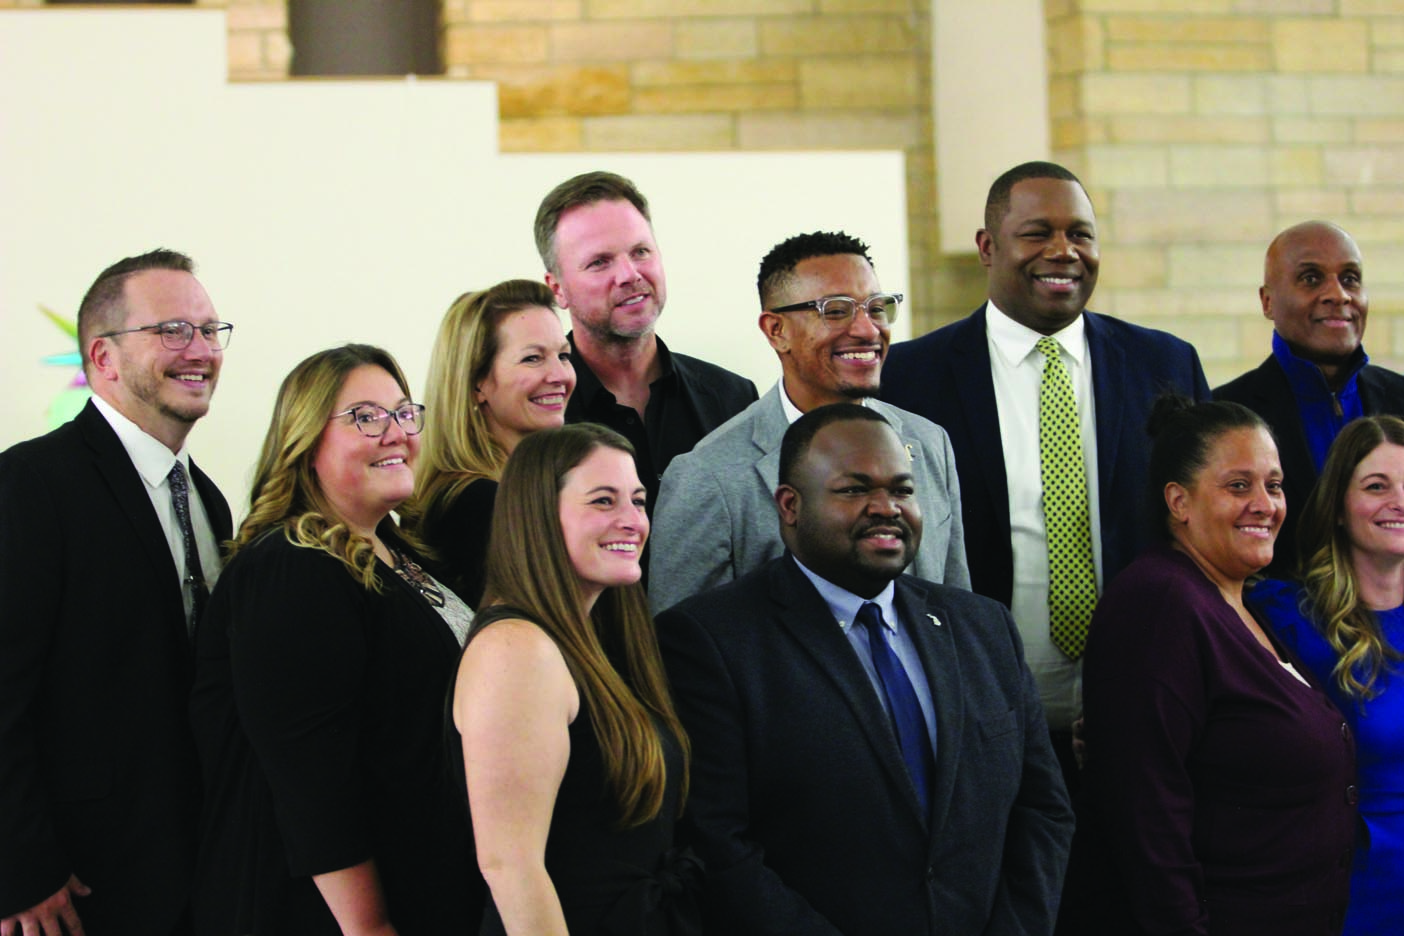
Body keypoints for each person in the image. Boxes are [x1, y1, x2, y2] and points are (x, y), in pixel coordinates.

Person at [656, 404, 1072, 935]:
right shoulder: (711, 640)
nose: (886, 508)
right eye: (854, 490)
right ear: (789, 505)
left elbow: (1042, 809)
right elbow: (718, 844)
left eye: (902, 489)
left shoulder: (983, 628)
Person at [881, 161, 1211, 793]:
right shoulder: (909, 378)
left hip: (1146, 713)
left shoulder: (1165, 363)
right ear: (988, 246)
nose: (1064, 251)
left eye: (1081, 234)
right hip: (978, 720)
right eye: (1038, 233)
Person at [189, 345, 476, 935]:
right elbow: (311, 784)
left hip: (428, 883)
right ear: (304, 442)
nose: (395, 433)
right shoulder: (291, 568)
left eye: (403, 413)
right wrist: (369, 925)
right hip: (328, 914)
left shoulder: (397, 551)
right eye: (366, 417)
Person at [0, 248, 232, 936]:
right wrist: (18, 867)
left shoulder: (211, 501)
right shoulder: (32, 484)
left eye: (210, 330)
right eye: (173, 330)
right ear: (103, 357)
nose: (201, 350)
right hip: (72, 888)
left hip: (194, 875)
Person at [1078, 397, 1356, 935]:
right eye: (1238, 485)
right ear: (1178, 501)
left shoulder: (1234, 603)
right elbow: (1146, 818)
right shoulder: (1159, 604)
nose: (1265, 505)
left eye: (1274, 485)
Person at [452, 423, 699, 935]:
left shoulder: (599, 637)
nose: (632, 521)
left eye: (638, 501)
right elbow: (510, 867)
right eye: (603, 501)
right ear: (538, 517)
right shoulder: (516, 650)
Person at [650, 231, 969, 612]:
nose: (868, 330)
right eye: (836, 311)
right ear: (776, 331)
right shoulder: (708, 476)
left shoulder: (929, 442)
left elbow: (955, 613)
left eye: (876, 308)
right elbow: (684, 637)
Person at [1249, 414, 1404, 936]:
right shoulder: (1284, 616)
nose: (1398, 501)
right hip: (1345, 887)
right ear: (1338, 505)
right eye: (1377, 486)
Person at [534, 170, 757, 513]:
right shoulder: (538, 410)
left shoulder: (733, 399)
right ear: (557, 289)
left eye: (640, 252)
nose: (630, 274)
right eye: (599, 262)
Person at [1216, 220, 1404, 577]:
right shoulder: (1224, 416)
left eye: (1350, 279)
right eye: (1311, 278)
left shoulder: (1399, 398)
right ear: (1268, 301)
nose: (1338, 295)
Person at [408, 279, 576, 607]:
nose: (560, 375)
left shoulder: (520, 489)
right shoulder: (477, 504)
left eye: (564, 356)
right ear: (477, 383)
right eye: (533, 358)